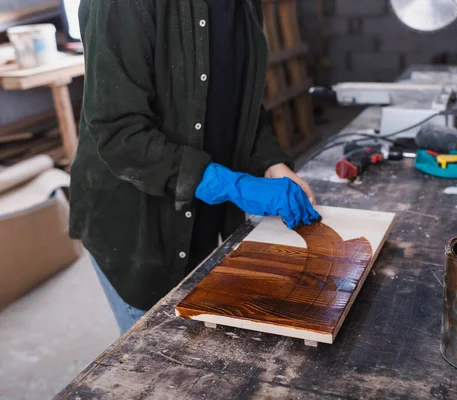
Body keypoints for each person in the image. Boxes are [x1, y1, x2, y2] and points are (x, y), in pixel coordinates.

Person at [69, 0, 320, 335]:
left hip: (201, 215)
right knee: (159, 364)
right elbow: (120, 133)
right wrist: (230, 184)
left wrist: (272, 164)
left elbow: (238, 97)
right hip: (138, 228)